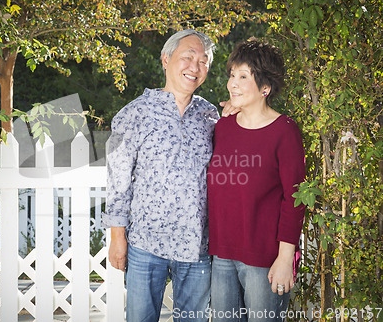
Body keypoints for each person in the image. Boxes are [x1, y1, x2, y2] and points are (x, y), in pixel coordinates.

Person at [103, 29, 235, 322]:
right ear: (166, 59)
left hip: (196, 245)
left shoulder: (210, 115)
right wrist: (117, 237)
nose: (195, 67)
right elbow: (118, 182)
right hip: (146, 243)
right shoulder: (134, 113)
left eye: (203, 61)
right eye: (188, 57)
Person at [207, 38, 306, 322]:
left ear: (265, 87)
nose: (232, 84)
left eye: (243, 76)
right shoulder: (223, 127)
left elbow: (295, 199)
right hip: (222, 256)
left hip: (265, 260)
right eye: (231, 75)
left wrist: (286, 259)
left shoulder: (284, 132)